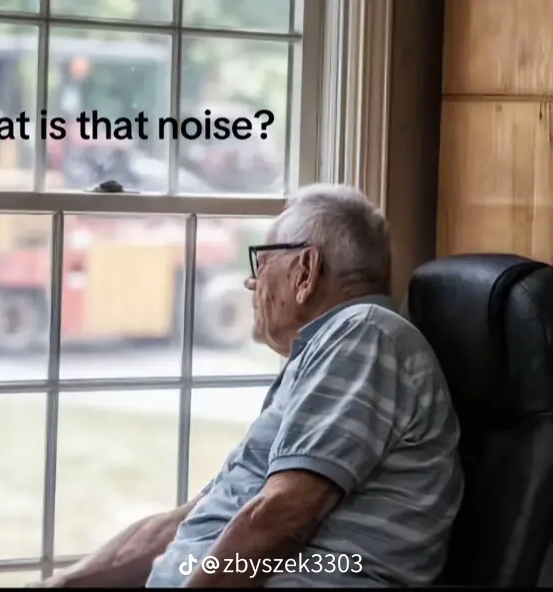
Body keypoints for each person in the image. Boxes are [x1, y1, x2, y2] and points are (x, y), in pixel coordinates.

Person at [33, 183, 464, 588]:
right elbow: (191, 520)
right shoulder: (330, 353)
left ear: (305, 271)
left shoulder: (364, 335)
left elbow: (284, 514)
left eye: (261, 262)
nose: (250, 282)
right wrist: (60, 585)